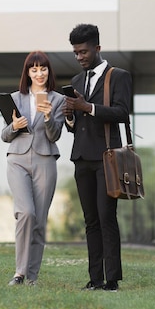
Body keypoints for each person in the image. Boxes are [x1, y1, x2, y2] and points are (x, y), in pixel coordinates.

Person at [63, 23, 132, 292]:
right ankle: (95, 279)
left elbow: (122, 113)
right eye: (76, 53)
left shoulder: (118, 76)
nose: (79, 57)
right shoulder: (77, 81)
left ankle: (112, 280)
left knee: (106, 217)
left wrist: (86, 106)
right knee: (90, 220)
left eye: (83, 52)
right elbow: (76, 123)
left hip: (107, 157)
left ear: (97, 48)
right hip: (81, 157)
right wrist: (70, 115)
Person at [1, 50, 66, 286]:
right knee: (26, 213)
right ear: (27, 73)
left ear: (49, 71)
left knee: (39, 220)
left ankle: (32, 277)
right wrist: (14, 126)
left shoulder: (58, 100)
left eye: (43, 68)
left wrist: (49, 117)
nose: (39, 74)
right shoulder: (15, 98)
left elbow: (55, 134)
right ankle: (19, 272)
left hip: (45, 159)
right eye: (34, 69)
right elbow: (5, 136)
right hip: (17, 159)